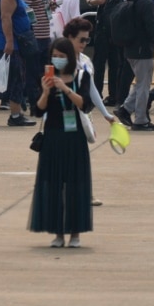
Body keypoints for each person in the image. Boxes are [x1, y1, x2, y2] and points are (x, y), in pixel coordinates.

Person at [29, 38, 95, 247]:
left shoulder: (81, 76)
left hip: (74, 137)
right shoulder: (47, 78)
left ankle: (75, 233)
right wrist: (47, 91)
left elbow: (85, 104)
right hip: (53, 137)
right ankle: (57, 233)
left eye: (61, 56)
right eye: (54, 56)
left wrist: (65, 89)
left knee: (76, 184)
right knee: (53, 185)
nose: (57, 60)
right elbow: (38, 110)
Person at [116, 0, 154, 131]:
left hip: (130, 49)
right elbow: (151, 27)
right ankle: (141, 119)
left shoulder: (132, 0)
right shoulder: (146, 4)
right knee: (144, 85)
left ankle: (125, 109)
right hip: (142, 50)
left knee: (140, 82)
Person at [83, 0, 120, 99]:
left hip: (104, 25)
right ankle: (114, 94)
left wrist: (90, 1)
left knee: (99, 61)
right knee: (114, 61)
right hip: (114, 26)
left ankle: (96, 93)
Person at [20, 0, 54, 103]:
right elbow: (25, 8)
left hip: (44, 32)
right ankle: (31, 97)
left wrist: (48, 5)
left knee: (43, 67)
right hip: (36, 33)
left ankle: (41, 95)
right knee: (33, 68)